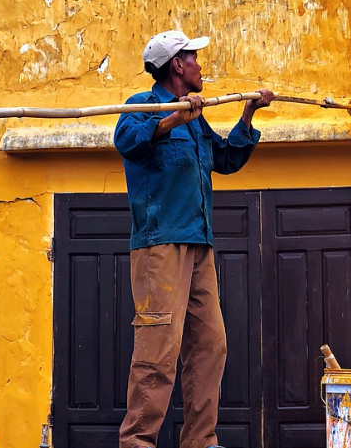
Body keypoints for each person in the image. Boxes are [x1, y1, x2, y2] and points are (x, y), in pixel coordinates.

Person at [113, 30, 274, 448]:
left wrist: (248, 116)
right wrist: (172, 120)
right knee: (158, 349)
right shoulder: (141, 106)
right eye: (195, 58)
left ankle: (200, 442)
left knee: (210, 345)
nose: (201, 65)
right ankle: (137, 442)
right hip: (159, 245)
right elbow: (127, 142)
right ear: (177, 66)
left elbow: (225, 158)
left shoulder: (198, 117)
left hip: (199, 244)